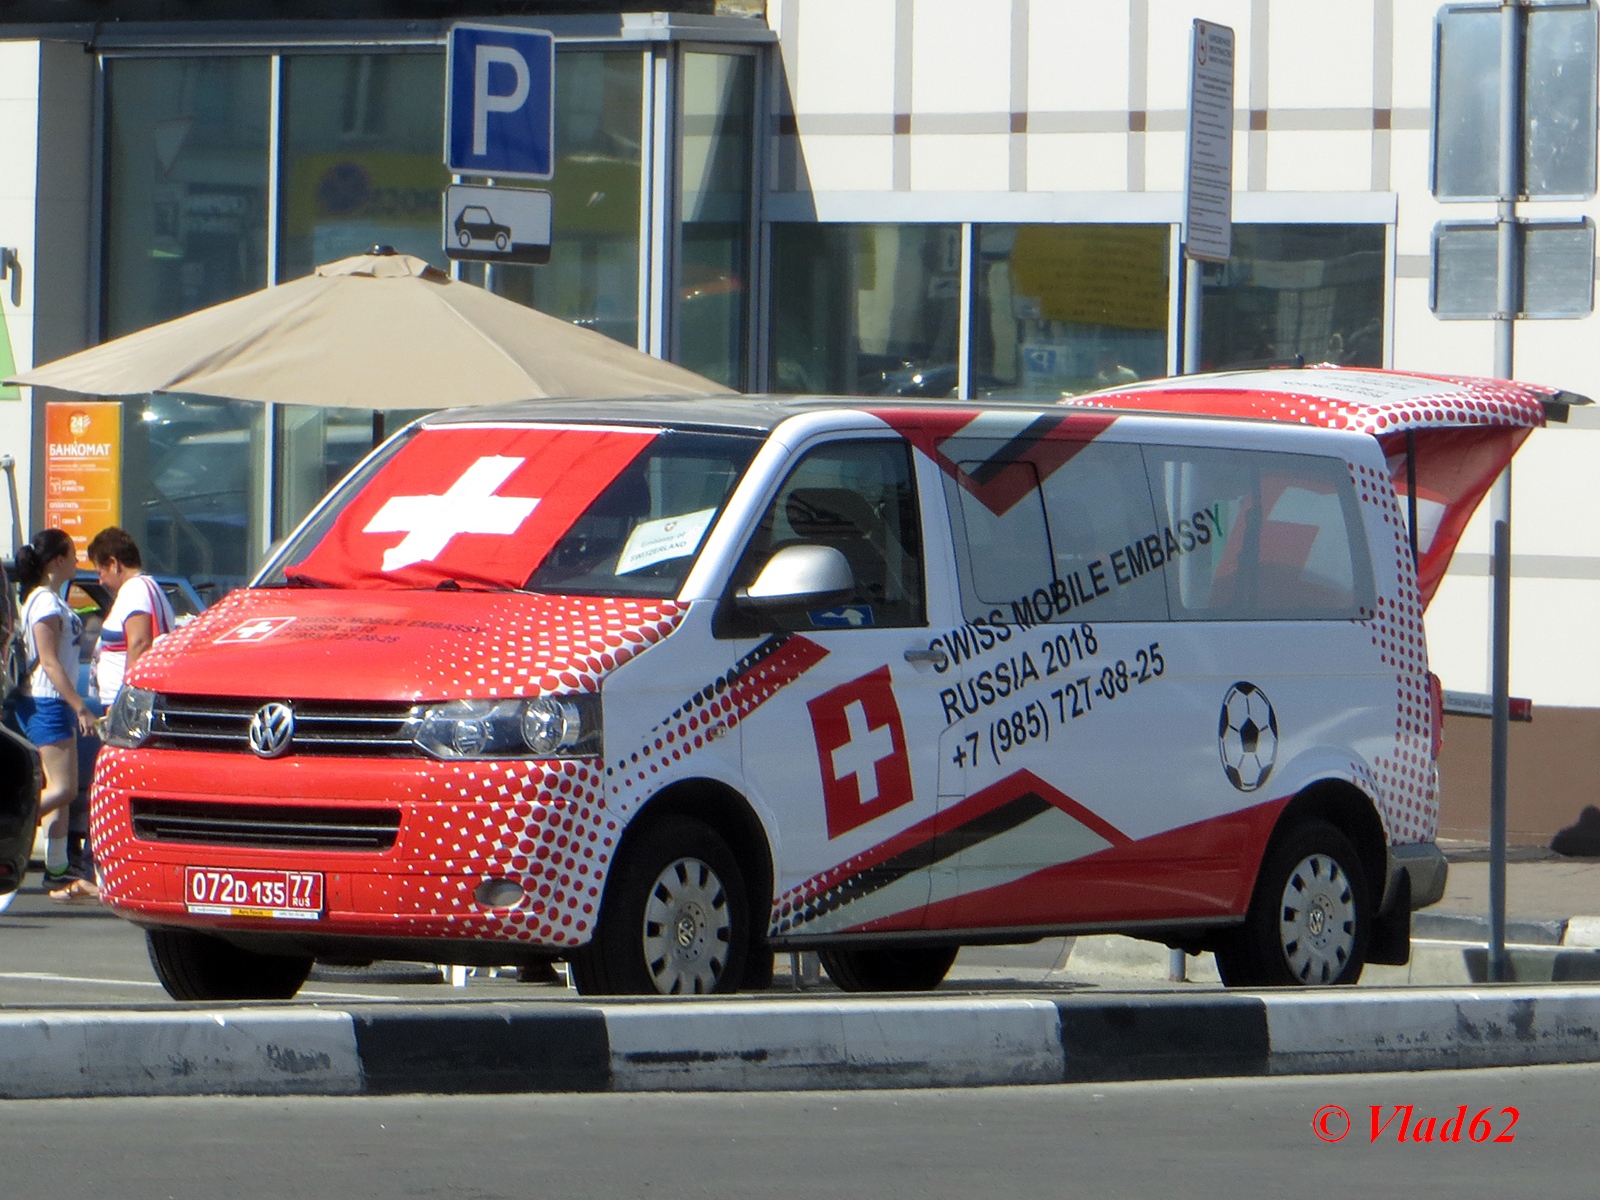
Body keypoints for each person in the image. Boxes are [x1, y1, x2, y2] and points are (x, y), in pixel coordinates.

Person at [12, 528, 96, 901]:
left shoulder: (47, 600)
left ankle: (58, 867)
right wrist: (79, 704)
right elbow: (49, 662)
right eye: (72, 555)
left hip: (51, 702)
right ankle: (12, 826)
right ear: (55, 562)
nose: (77, 561)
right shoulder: (45, 603)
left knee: (61, 789)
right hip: (48, 701)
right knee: (61, 789)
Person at [87, 526, 175, 706]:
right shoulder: (146, 586)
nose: (100, 581)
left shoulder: (134, 589)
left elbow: (140, 642)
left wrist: (125, 701)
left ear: (114, 564)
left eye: (100, 572)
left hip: (127, 704)